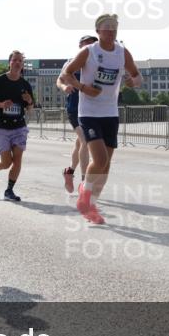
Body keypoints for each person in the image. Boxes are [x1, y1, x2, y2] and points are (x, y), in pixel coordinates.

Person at [59, 14, 142, 224]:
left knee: (106, 166)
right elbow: (67, 74)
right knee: (100, 159)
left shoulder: (122, 53)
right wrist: (83, 88)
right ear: (98, 31)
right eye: (107, 28)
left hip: (110, 113)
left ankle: (91, 204)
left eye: (114, 28)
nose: (111, 31)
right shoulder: (88, 52)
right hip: (88, 112)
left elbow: (137, 76)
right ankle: (84, 197)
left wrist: (134, 82)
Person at [0, 50, 34, 202]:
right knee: (6, 163)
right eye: (15, 60)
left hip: (19, 127)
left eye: (20, 61)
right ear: (9, 63)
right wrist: (0, 104)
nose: (18, 63)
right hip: (2, 127)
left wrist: (30, 100)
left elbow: (30, 108)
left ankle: (9, 190)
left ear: (22, 65)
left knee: (17, 160)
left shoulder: (25, 84)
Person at [56, 35, 98, 193]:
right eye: (88, 45)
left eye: (94, 45)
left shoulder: (96, 64)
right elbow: (59, 80)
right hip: (75, 108)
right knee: (85, 141)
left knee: (80, 143)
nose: (91, 48)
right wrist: (64, 87)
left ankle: (69, 171)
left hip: (91, 109)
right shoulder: (71, 62)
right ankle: (84, 182)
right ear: (80, 45)